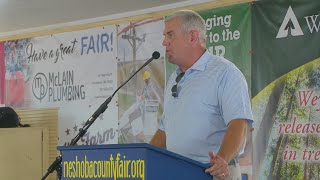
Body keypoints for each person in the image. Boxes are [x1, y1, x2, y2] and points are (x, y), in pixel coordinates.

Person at [150, 10, 253, 180]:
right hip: (176, 172)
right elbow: (165, 130)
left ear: (192, 37)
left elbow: (238, 124)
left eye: (170, 35)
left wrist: (222, 160)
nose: (164, 42)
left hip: (213, 172)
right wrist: (143, 159)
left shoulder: (225, 73)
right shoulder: (174, 78)